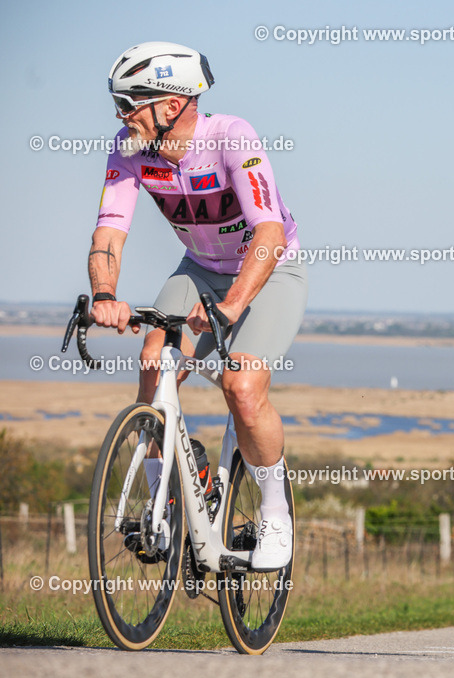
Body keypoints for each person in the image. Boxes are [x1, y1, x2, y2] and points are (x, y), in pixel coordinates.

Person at [88, 42, 307, 571]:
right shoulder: (129, 147)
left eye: (129, 103)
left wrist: (231, 307)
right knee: (154, 365)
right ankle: (164, 501)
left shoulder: (232, 137)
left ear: (170, 104)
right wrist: (104, 295)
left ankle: (275, 511)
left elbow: (270, 232)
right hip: (199, 269)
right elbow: (109, 233)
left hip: (269, 268)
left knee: (242, 387)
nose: (121, 116)